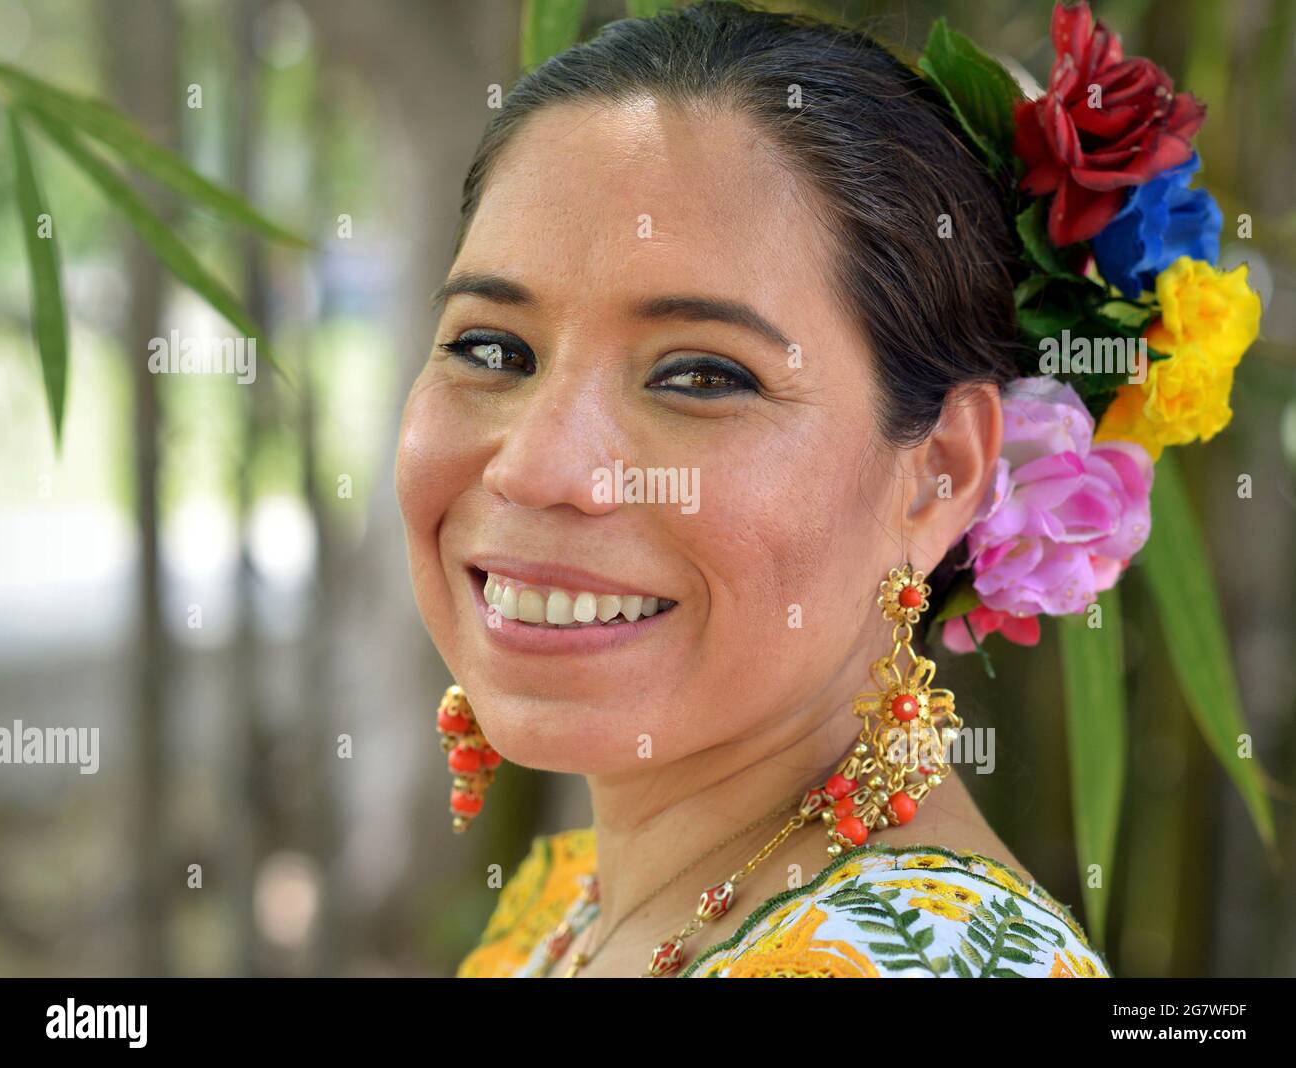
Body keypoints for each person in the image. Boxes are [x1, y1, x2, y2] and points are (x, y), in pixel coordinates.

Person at [396, 0, 1128, 978]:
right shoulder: (570, 906)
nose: (535, 466)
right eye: (492, 348)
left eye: (701, 376)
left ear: (940, 473)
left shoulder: (921, 962)